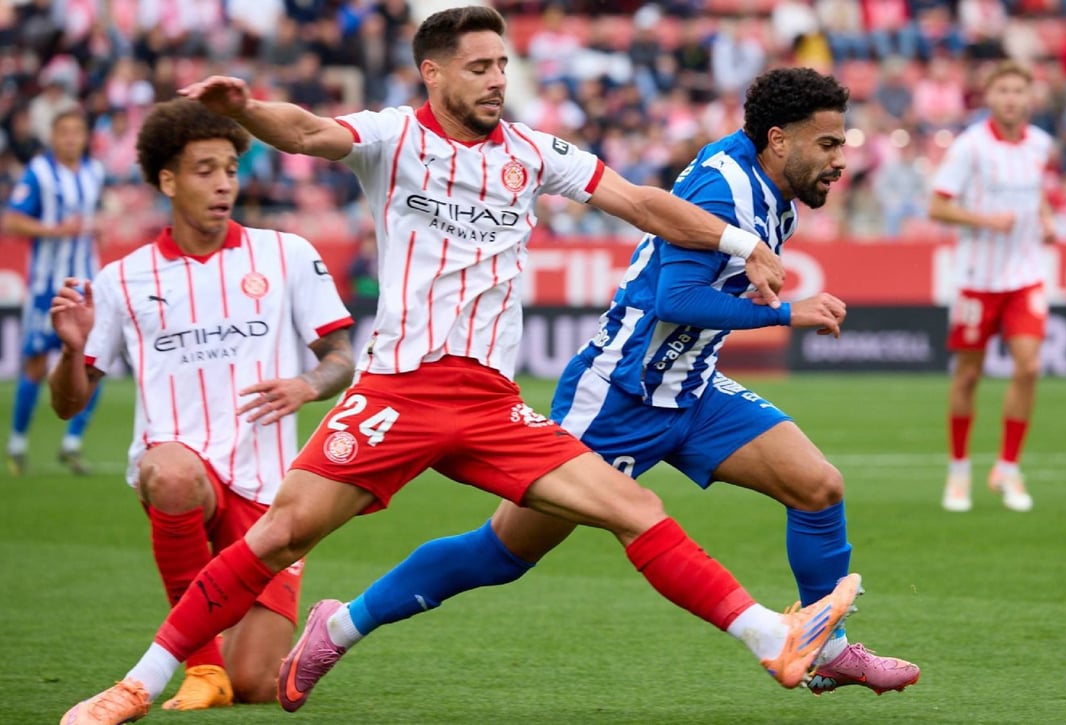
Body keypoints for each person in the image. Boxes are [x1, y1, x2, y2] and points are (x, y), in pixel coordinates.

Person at [61, 8, 857, 724]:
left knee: (633, 508)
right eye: (479, 66)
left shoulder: (533, 152)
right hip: (397, 393)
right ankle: (137, 682)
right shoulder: (391, 138)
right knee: (279, 534)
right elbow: (307, 133)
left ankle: (771, 641)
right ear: (432, 72)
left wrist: (740, 243)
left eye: (504, 65)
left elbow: (643, 203)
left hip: (490, 403)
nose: (497, 80)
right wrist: (243, 111)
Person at [274, 67, 922, 710]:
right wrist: (787, 313)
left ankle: (828, 648)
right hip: (617, 395)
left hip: (691, 389)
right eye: (830, 144)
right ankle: (337, 627)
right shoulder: (726, 192)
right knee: (502, 551)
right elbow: (678, 296)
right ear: (780, 140)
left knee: (817, 486)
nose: (842, 160)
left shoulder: (769, 179)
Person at [49, 99, 356, 714]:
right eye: (205, 170)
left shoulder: (286, 254)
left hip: (272, 494)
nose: (223, 184)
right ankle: (201, 666)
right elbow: (69, 402)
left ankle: (311, 636)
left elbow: (341, 357)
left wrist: (307, 384)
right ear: (167, 179)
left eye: (231, 170)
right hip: (185, 470)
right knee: (169, 471)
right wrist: (71, 352)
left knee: (255, 685)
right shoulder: (121, 281)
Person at [928, 60, 1055, 514]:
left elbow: (1035, 191)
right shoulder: (970, 148)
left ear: (1029, 97)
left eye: (1018, 91)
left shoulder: (1041, 144)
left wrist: (1046, 218)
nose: (1011, 99)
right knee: (968, 376)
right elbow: (938, 207)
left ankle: (1007, 466)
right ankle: (959, 470)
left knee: (1029, 366)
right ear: (989, 96)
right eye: (1002, 90)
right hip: (977, 279)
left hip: (1024, 275)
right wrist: (985, 220)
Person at [3, 107, 104, 475]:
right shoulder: (40, 173)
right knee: (34, 364)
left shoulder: (95, 172)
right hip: (47, 285)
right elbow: (11, 219)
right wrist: (55, 231)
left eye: (77, 132)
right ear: (54, 137)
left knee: (97, 360)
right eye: (64, 133)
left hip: (87, 285)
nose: (71, 139)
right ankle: (17, 444)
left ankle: (72, 444)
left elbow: (96, 217)